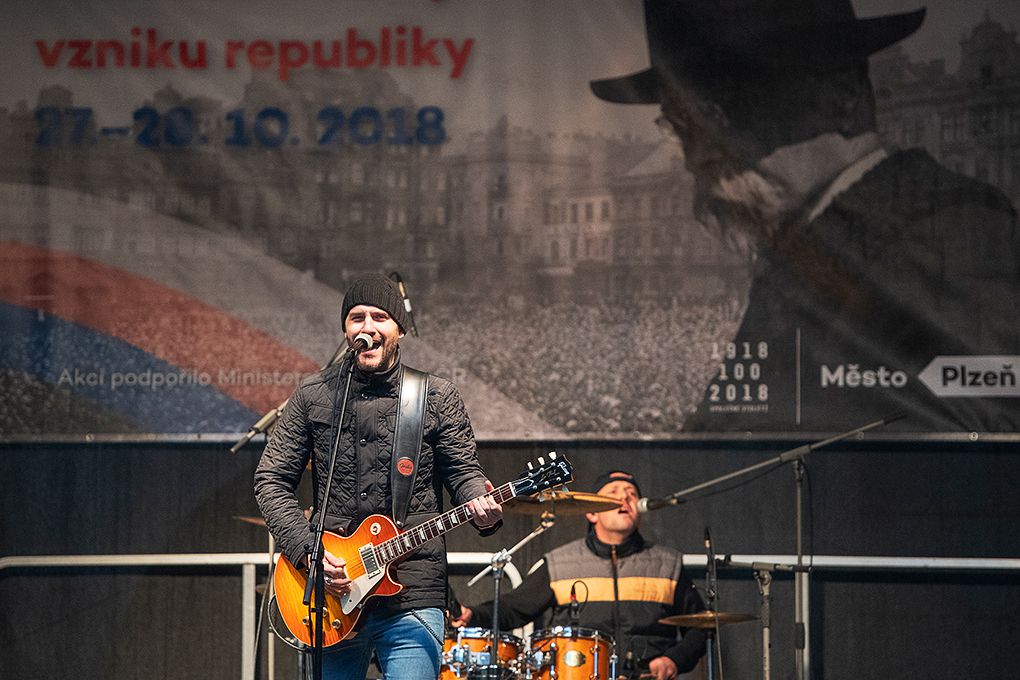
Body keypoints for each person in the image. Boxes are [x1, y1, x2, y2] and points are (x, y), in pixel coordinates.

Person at [591, 0, 1020, 432]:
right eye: (680, 124)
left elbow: (981, 445)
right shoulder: (801, 252)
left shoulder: (953, 229)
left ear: (842, 96)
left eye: (718, 111)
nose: (696, 155)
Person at [254, 273, 503, 680]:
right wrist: (308, 552)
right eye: (357, 318)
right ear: (346, 330)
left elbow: (464, 473)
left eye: (379, 317)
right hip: (331, 589)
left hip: (412, 588)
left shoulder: (436, 396)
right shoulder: (313, 395)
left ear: (399, 329)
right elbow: (270, 479)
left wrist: (481, 502)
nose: (367, 327)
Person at [451, 470, 707, 680]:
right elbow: (513, 608)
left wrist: (674, 660)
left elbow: (701, 627)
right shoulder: (561, 563)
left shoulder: (667, 564)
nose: (625, 498)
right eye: (614, 493)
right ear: (592, 512)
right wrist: (473, 615)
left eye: (632, 494)